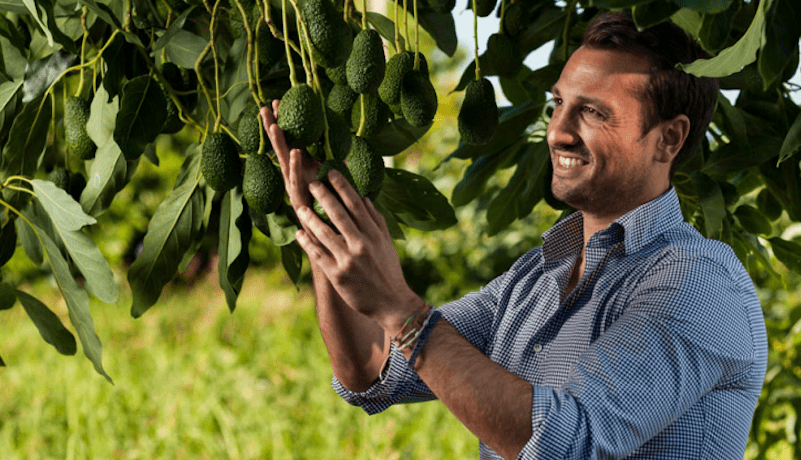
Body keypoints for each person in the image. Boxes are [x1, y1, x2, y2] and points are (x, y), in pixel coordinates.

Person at [260, 11, 767, 459]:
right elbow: (370, 371)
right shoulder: (536, 278)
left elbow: (565, 442)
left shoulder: (700, 283)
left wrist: (401, 310)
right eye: (559, 104)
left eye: (592, 112)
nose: (557, 131)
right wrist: (318, 218)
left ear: (669, 139)